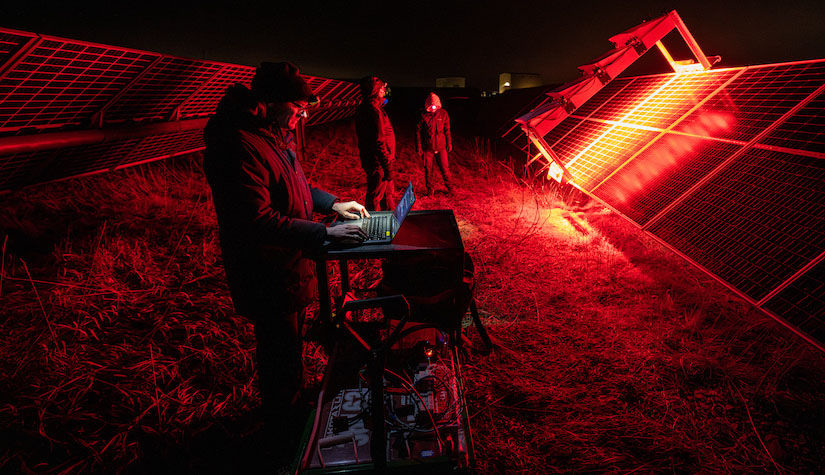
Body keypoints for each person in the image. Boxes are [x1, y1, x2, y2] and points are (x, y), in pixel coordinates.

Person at [202, 61, 368, 452]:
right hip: (266, 271)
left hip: (287, 266)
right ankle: (283, 442)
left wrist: (333, 203)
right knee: (279, 356)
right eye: (297, 108)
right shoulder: (240, 143)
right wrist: (323, 233)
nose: (302, 115)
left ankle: (292, 416)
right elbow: (255, 220)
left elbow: (296, 185)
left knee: (288, 351)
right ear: (272, 103)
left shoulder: (270, 134)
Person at [355, 76, 396, 211]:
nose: (384, 91)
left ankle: (390, 222)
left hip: (379, 161)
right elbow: (378, 141)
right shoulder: (372, 111)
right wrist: (387, 165)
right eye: (381, 89)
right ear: (375, 90)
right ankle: (373, 226)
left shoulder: (371, 107)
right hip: (378, 163)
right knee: (375, 197)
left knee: (385, 194)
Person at [416, 92, 453, 196]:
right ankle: (430, 190)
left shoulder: (443, 114)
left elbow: (447, 129)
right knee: (428, 169)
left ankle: (450, 188)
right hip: (428, 148)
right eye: (431, 105)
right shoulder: (423, 115)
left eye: (435, 105)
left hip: (441, 147)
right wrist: (419, 146)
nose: (433, 108)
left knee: (445, 168)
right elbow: (418, 132)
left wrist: (449, 142)